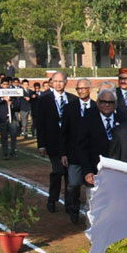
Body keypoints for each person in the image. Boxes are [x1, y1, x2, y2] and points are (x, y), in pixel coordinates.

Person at [67, 87, 118, 217]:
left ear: (116, 104)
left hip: (117, 174)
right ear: (97, 102)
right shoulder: (87, 120)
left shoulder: (123, 119)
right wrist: (87, 170)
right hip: (94, 173)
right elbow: (82, 148)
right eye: (103, 102)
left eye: (110, 102)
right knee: (95, 208)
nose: (107, 105)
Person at [35, 71, 80, 213]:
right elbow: (40, 124)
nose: (58, 84)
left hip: (70, 144)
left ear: (66, 82)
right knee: (58, 171)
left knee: (69, 174)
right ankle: (52, 199)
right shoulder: (44, 99)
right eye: (56, 81)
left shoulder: (73, 99)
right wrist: (41, 144)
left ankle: (69, 203)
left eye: (61, 81)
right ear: (51, 82)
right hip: (52, 143)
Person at [0, 77, 25, 160]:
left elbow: (18, 105)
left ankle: (13, 152)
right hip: (3, 117)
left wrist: (12, 103)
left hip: (12, 117)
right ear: (1, 85)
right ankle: (5, 153)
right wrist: (2, 99)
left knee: (13, 135)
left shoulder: (13, 94)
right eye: (4, 84)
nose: (6, 86)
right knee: (4, 136)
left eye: (7, 84)